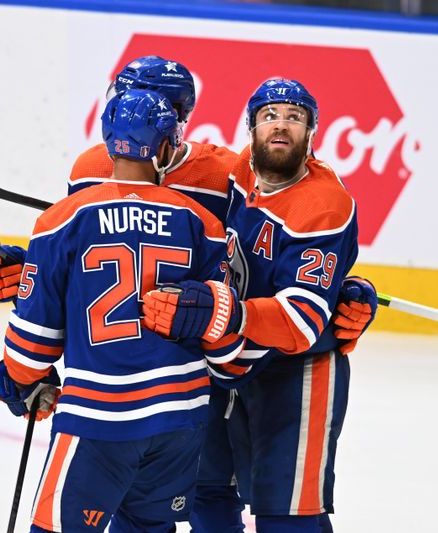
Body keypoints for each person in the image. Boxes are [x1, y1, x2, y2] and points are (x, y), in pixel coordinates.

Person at [0, 57, 377, 532]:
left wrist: (346, 290)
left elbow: (283, 246)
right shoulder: (93, 171)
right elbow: (87, 267)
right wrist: (30, 271)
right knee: (205, 494)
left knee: (265, 505)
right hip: (194, 376)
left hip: (216, 365)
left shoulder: (223, 173)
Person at [0, 89, 251, 532]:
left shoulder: (62, 219)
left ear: (109, 143)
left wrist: (14, 381)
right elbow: (229, 349)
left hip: (97, 420)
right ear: (167, 149)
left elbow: (31, 349)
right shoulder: (201, 224)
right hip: (180, 420)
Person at [143, 78, 369, 533]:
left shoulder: (323, 204)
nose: (280, 125)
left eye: (294, 117)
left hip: (295, 371)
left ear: (311, 131)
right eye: (269, 115)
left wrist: (221, 311)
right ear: (250, 127)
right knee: (206, 491)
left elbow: (302, 321)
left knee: (285, 515)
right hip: (228, 358)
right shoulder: (234, 172)